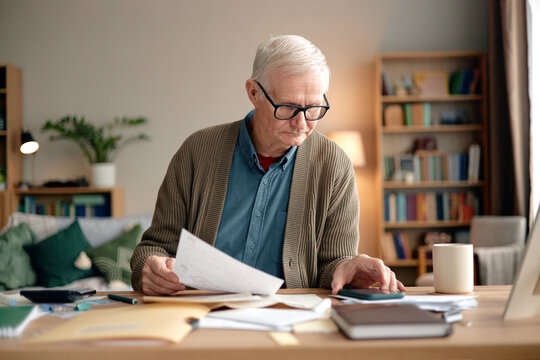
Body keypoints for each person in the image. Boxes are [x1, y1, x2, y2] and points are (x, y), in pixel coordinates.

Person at [130, 34, 405, 296]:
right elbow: (154, 248)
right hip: (201, 314)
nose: (301, 123)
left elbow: (331, 266)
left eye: (313, 108)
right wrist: (149, 268)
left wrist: (348, 267)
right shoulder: (197, 151)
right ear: (253, 92)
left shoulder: (334, 165)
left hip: (290, 318)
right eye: (287, 107)